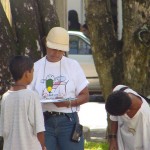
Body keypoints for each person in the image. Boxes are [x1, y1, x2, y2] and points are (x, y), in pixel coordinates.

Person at [28, 27, 89, 150]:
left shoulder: (73, 66)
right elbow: (28, 96)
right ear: (46, 44)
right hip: (43, 121)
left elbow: (85, 95)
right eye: (52, 48)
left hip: (69, 121)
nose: (55, 53)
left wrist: (69, 103)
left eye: (60, 50)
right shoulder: (36, 67)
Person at [0, 56, 46, 150]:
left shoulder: (5, 97)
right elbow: (39, 129)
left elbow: (4, 131)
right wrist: (42, 147)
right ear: (26, 74)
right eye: (32, 71)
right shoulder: (32, 96)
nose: (33, 73)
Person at [105, 85, 150, 150]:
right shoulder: (119, 91)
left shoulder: (146, 117)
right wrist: (113, 139)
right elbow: (114, 118)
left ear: (127, 111)